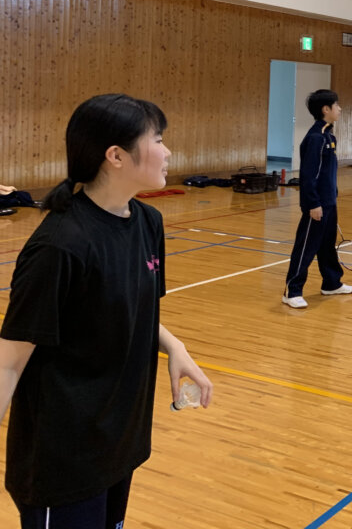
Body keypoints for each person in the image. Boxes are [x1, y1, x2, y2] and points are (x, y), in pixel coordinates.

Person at [0, 93, 213, 527]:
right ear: (115, 156)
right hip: (63, 460)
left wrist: (175, 346)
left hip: (119, 442)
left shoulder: (148, 222)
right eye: (157, 139)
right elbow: (9, 362)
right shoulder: (60, 245)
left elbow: (127, 307)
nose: (168, 152)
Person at [282, 89, 352, 309]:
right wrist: (313, 203)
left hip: (330, 202)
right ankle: (292, 291)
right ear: (326, 109)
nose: (340, 108)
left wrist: (333, 196)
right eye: (336, 105)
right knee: (306, 247)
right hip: (317, 205)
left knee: (326, 247)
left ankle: (332, 283)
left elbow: (327, 173)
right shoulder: (315, 138)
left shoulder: (329, 136)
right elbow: (308, 175)